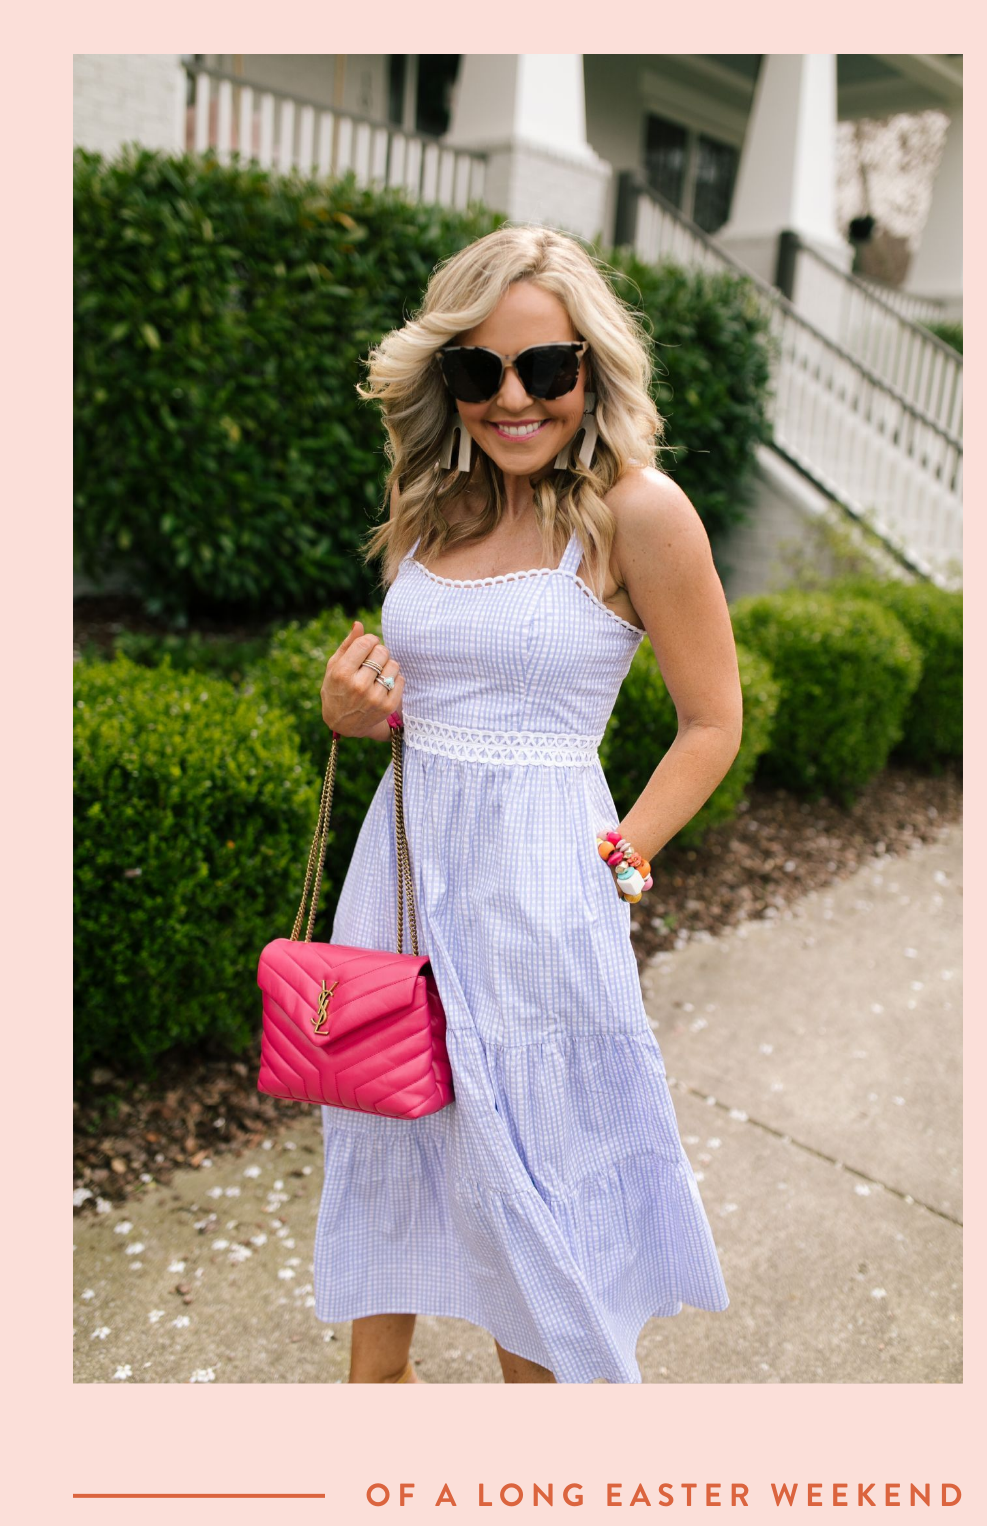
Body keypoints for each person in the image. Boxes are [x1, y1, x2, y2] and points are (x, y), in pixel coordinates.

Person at [312, 224, 742, 1384]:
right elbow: (419, 703)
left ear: (589, 368)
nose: (514, 398)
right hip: (400, 876)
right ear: (446, 379)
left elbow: (713, 721)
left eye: (545, 368)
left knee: (528, 1199)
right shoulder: (427, 504)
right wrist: (353, 712)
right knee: (393, 1134)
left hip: (537, 894)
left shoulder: (637, 512)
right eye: (479, 369)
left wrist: (620, 858)